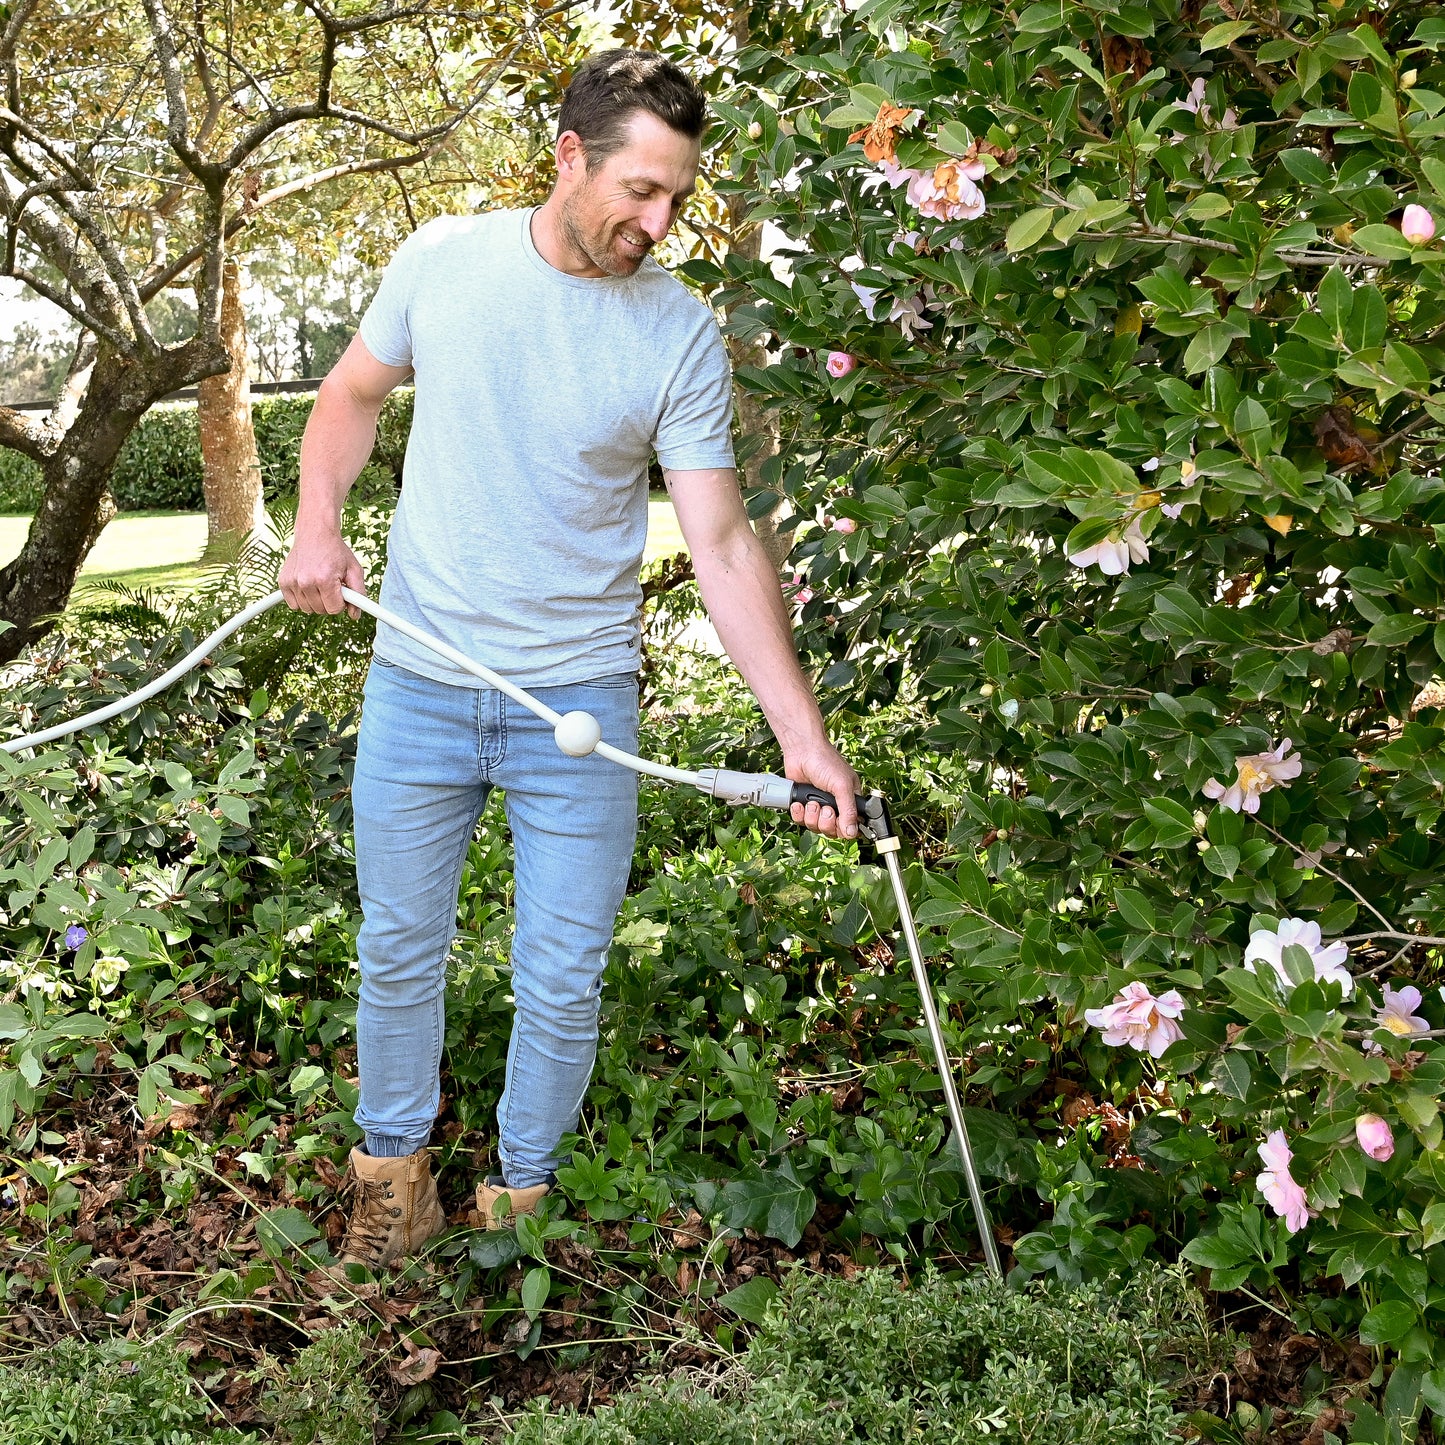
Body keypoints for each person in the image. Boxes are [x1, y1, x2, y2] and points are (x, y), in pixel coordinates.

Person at [278, 48, 859, 1277]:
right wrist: (317, 519)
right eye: (638, 191)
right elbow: (349, 396)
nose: (655, 223)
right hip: (422, 682)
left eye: (674, 201)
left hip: (577, 703)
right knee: (394, 948)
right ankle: (391, 1195)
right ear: (566, 158)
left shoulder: (678, 332)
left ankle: (518, 1214)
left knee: (559, 977)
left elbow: (717, 535)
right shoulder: (443, 262)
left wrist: (798, 735)